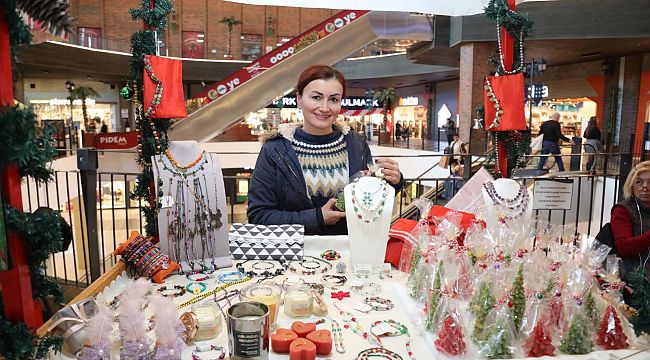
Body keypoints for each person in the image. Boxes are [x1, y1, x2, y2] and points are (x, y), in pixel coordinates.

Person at [247, 64, 404, 235]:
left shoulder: (356, 144)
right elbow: (259, 216)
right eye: (316, 97)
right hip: (296, 256)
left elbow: (367, 201)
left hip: (350, 252)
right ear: (299, 99)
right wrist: (317, 217)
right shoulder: (275, 150)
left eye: (333, 99)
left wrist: (392, 183)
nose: (324, 108)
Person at [610, 161, 650, 298]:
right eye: (639, 182)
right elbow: (624, 247)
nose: (645, 187)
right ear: (631, 186)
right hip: (633, 283)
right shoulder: (623, 210)